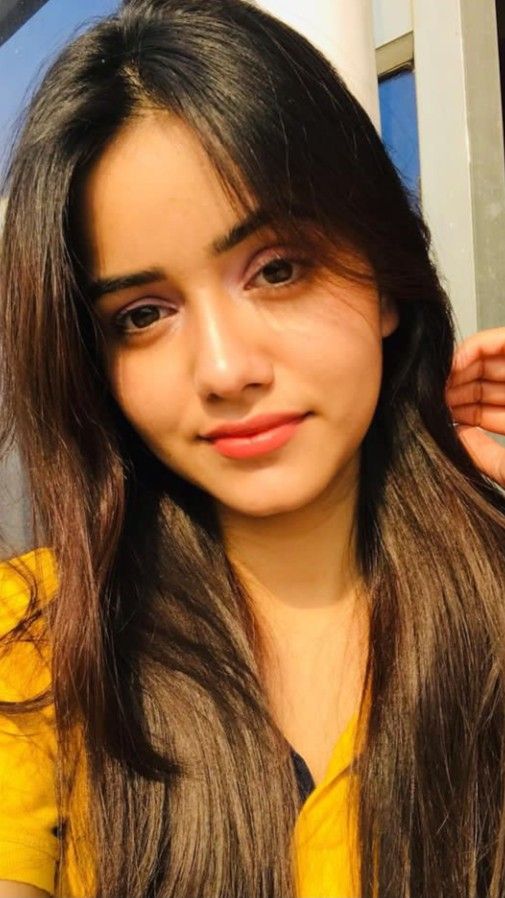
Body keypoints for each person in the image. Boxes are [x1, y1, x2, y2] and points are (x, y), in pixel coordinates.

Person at [0, 1, 504, 896]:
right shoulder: (37, 640)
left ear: (385, 282)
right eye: (142, 315)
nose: (226, 370)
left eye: (277, 269)